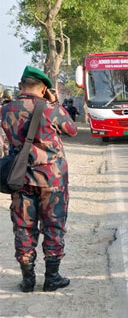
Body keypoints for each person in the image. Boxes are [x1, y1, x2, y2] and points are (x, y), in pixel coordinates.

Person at [0, 66, 78, 292]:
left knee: (23, 227)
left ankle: (28, 279)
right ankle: (52, 277)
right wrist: (55, 102)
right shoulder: (50, 109)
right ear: (44, 89)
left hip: (20, 178)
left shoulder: (6, 110)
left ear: (20, 86)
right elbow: (72, 129)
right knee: (54, 226)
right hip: (52, 180)